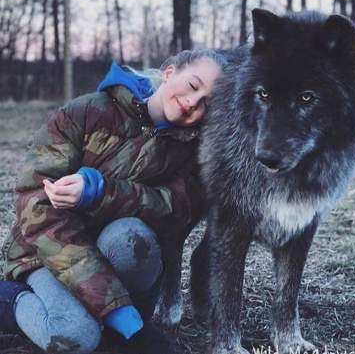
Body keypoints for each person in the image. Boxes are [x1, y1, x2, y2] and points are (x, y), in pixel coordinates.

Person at [0, 49, 224, 354]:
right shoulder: (86, 112)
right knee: (77, 336)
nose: (193, 103)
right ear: (170, 72)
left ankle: (116, 328)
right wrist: (123, 317)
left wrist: (100, 193)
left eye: (206, 104)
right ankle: (11, 300)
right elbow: (36, 207)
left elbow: (173, 211)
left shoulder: (196, 153)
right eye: (194, 86)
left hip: (115, 255)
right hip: (46, 253)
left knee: (131, 238)